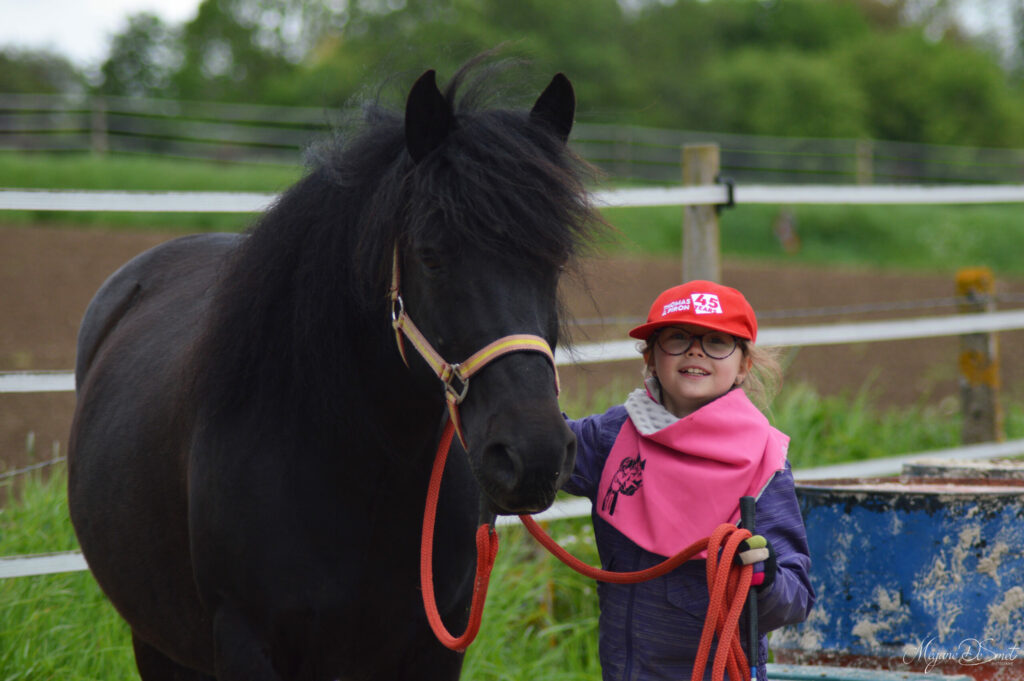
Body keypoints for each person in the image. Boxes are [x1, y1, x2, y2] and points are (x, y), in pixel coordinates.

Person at [562, 280, 815, 681]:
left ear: (743, 366)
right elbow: (543, 454)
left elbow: (794, 600)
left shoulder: (764, 463)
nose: (695, 350)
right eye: (677, 337)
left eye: (716, 341)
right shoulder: (614, 435)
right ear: (650, 357)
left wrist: (763, 577)